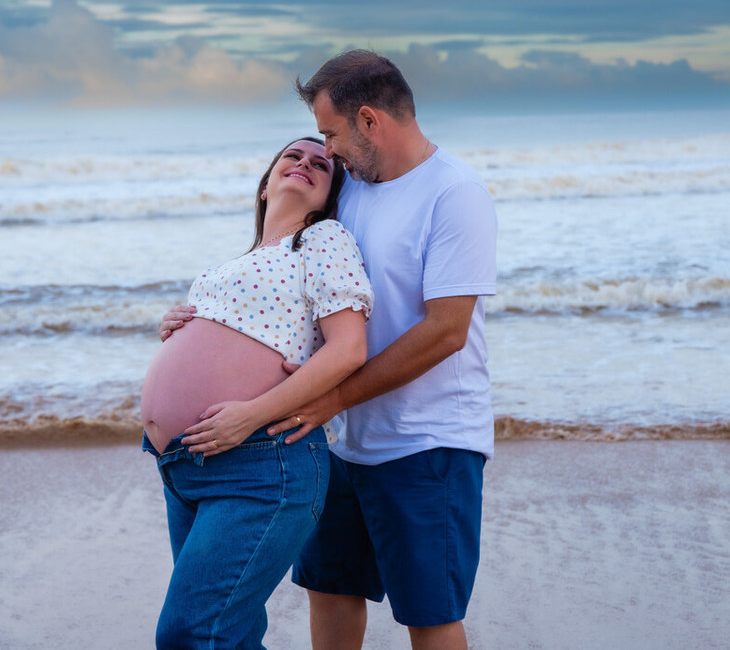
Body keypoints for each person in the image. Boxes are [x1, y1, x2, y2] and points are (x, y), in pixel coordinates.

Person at [162, 50, 498, 650]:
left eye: (331, 134)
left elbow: (447, 331)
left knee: (430, 613)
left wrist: (331, 397)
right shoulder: (353, 191)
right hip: (336, 439)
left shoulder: (455, 193)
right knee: (331, 590)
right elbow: (292, 285)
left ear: (369, 120)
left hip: (426, 440)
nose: (327, 150)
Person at [141, 136, 373, 650]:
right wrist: (178, 328)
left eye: (321, 165)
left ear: (328, 199)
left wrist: (249, 415)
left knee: (190, 634)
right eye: (293, 156)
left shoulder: (323, 239)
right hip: (183, 464)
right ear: (266, 185)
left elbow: (348, 349)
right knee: (229, 636)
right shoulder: (236, 264)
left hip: (260, 462)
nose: (305, 163)